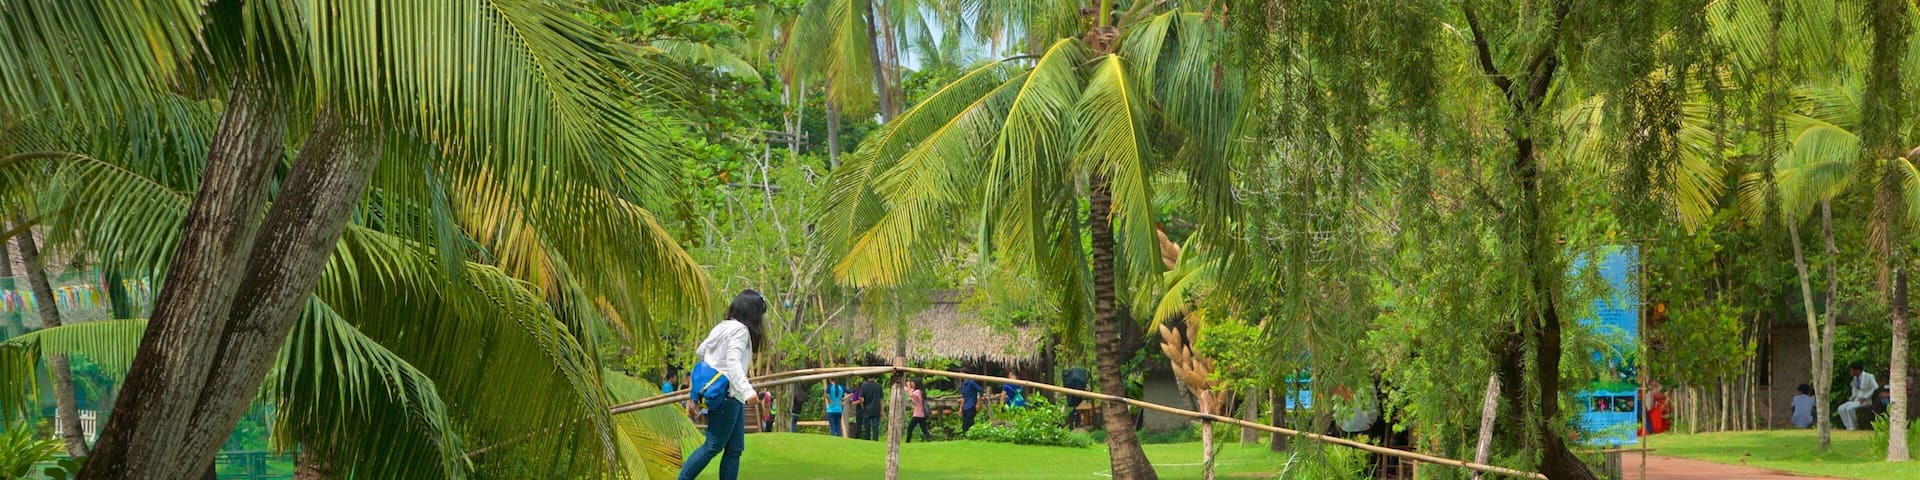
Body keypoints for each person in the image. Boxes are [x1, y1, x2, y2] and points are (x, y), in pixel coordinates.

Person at [675, 290, 767, 480]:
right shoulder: (740, 330)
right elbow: (733, 362)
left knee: (734, 449)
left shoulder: (722, 326)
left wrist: (697, 392)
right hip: (728, 395)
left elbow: (702, 351)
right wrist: (747, 389)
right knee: (713, 445)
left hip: (732, 396)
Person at [1838, 362, 1880, 430]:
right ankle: (1848, 426)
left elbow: (1875, 387)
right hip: (1856, 400)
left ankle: (1853, 426)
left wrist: (1865, 397)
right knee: (1841, 408)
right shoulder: (1855, 379)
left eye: (1851, 370)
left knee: (1850, 409)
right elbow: (1855, 389)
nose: (1850, 372)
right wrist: (1852, 397)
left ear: (1857, 370)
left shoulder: (1869, 376)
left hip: (1866, 400)